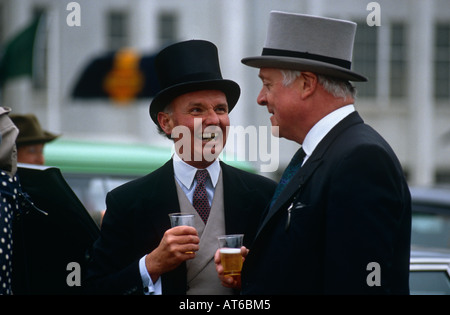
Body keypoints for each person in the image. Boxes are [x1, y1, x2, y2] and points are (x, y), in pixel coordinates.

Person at [215, 11, 411, 294]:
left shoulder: (360, 160)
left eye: (268, 84)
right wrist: (260, 273)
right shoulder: (331, 153)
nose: (260, 98)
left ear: (306, 84)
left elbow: (358, 286)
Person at [85, 40, 277, 295]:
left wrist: (251, 279)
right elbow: (95, 289)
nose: (213, 120)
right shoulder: (127, 202)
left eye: (221, 109)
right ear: (166, 123)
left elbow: (291, 283)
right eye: (197, 110)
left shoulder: (264, 196)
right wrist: (151, 265)